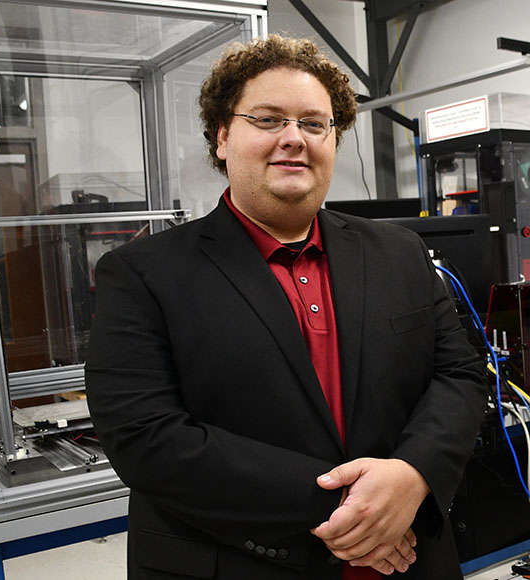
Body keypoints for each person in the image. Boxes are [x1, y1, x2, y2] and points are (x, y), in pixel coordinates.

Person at [85, 35, 488, 580]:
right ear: (223, 136)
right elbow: (145, 437)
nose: (294, 139)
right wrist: (361, 512)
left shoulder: (397, 252)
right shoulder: (141, 274)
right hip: (239, 562)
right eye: (269, 119)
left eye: (314, 123)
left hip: (408, 561)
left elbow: (459, 374)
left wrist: (413, 474)